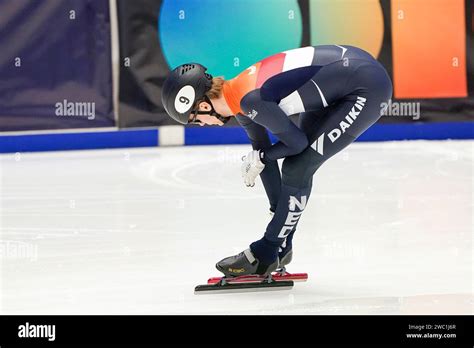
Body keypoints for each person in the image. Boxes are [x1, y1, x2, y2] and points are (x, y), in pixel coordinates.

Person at [161, 45, 392, 278]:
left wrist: (262, 157)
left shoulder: (249, 100)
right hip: (343, 81)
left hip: (367, 86)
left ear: (202, 106)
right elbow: (264, 154)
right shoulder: (238, 101)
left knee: (299, 165)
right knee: (296, 165)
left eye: (195, 121)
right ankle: (280, 245)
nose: (201, 125)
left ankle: (266, 252)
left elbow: (296, 144)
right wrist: (277, 212)